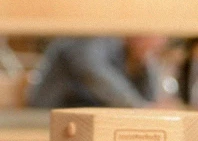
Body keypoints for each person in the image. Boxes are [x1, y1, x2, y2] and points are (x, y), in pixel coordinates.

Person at [27, 35, 167, 109]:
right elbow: (92, 72)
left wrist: (145, 63)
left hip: (85, 115)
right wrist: (140, 106)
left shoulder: (135, 55)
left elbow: (151, 99)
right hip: (52, 113)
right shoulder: (91, 36)